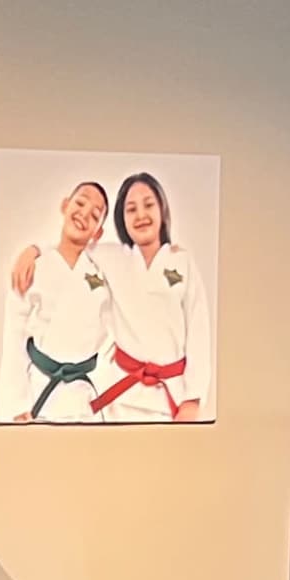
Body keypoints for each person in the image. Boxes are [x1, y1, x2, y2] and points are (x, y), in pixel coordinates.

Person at [92, 170, 206, 421]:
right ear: (121, 218)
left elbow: (199, 330)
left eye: (148, 205)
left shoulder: (182, 261)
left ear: (162, 210)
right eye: (131, 209)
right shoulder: (111, 257)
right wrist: (34, 251)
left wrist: (192, 399)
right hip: (122, 399)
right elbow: (71, 248)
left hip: (172, 398)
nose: (141, 215)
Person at [3, 179, 116, 421]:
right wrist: (16, 406)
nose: (84, 214)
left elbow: (111, 344)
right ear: (65, 205)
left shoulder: (102, 275)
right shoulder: (34, 267)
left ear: (98, 233)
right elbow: (14, 335)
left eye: (95, 215)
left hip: (83, 400)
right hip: (37, 395)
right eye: (80, 203)